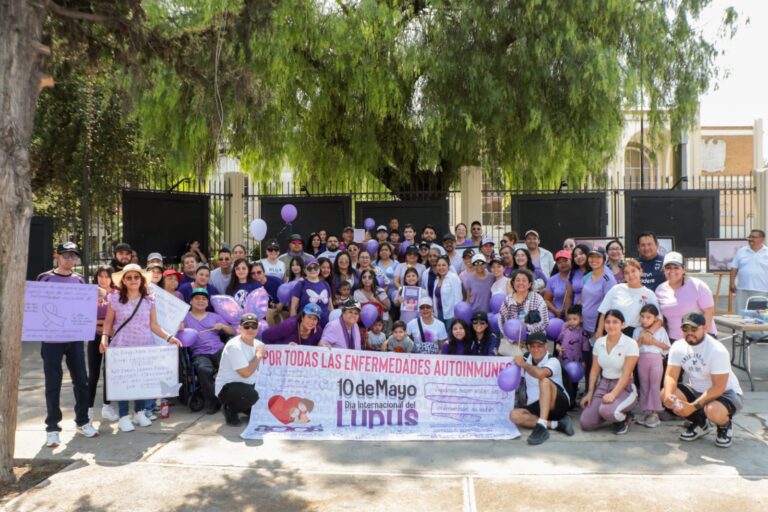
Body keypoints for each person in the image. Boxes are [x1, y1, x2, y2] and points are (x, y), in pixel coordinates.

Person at [100, 264, 182, 433]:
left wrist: (169, 337)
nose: (133, 280)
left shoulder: (149, 300)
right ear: (123, 280)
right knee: (123, 382)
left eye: (136, 277)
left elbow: (154, 325)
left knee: (140, 381)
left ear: (142, 280)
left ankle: (139, 412)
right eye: (129, 277)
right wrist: (104, 338)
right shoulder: (115, 298)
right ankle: (123, 416)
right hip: (122, 346)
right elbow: (108, 322)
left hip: (144, 345)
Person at [37, 242, 99, 447]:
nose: (70, 260)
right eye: (66, 255)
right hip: (51, 340)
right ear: (57, 256)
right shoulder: (44, 278)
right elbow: (35, 307)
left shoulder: (79, 280)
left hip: (74, 339)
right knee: (52, 384)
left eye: (74, 256)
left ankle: (82, 421)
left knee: (82, 381)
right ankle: (52, 428)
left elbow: (84, 308)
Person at [662, 312, 744, 448]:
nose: (689, 333)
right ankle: (700, 423)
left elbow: (718, 388)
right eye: (685, 329)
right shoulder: (677, 346)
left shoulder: (717, 350)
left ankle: (724, 425)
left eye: (694, 329)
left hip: (726, 393)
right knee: (667, 394)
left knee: (712, 410)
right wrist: (668, 395)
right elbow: (671, 375)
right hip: (698, 390)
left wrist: (692, 407)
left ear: (705, 328)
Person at [579, 310, 639, 435]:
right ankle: (607, 412)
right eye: (607, 322)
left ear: (622, 324)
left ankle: (625, 418)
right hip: (604, 384)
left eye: (615, 322)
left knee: (607, 411)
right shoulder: (599, 342)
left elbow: (626, 374)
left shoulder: (630, 343)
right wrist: (590, 392)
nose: (611, 325)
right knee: (586, 423)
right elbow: (595, 370)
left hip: (624, 386)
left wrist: (613, 394)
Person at [509, 332, 574, 445]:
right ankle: (556, 424)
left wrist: (524, 365)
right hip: (536, 405)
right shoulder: (525, 358)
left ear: (546, 347)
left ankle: (541, 428)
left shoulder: (553, 361)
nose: (536, 350)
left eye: (539, 346)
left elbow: (540, 374)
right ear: (528, 347)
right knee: (514, 416)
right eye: (532, 346)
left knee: (544, 380)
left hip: (557, 404)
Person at [183, 288, 236, 413]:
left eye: (204, 299)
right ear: (191, 301)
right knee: (203, 369)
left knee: (233, 365)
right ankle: (213, 401)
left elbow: (233, 332)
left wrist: (223, 326)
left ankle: (235, 399)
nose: (200, 301)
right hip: (199, 353)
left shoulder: (215, 317)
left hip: (218, 349)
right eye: (197, 298)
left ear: (207, 303)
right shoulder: (184, 318)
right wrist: (180, 329)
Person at [215, 313, 265, 427]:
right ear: (240, 328)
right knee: (252, 395)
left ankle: (245, 407)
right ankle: (229, 409)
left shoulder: (259, 344)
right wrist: (258, 355)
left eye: (254, 326)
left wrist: (292, 348)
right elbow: (245, 373)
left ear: (258, 328)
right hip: (228, 388)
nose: (250, 329)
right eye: (246, 326)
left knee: (263, 408)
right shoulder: (234, 346)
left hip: (247, 386)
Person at [655, 251, 716, 341]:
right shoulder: (659, 290)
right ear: (663, 270)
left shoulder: (698, 286)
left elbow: (709, 311)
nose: (672, 271)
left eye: (676, 268)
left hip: (699, 338)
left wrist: (702, 336)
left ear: (683, 269)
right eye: (668, 268)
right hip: (674, 339)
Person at [87, 265, 120, 423]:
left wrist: (101, 324)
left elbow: (118, 319)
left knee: (109, 372)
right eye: (100, 276)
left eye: (107, 276)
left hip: (113, 337)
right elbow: (84, 318)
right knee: (93, 374)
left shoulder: (118, 294)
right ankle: (88, 409)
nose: (103, 279)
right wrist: (101, 325)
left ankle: (107, 406)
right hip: (94, 337)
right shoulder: (89, 294)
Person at [596, 258, 657, 337]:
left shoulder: (649, 294)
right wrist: (599, 332)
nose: (630, 275)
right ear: (624, 276)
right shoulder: (616, 289)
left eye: (633, 271)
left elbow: (658, 319)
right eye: (626, 273)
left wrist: (649, 333)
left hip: (634, 335)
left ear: (641, 272)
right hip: (612, 333)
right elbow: (603, 313)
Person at [632, 304, 670, 428]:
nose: (645, 320)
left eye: (649, 317)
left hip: (656, 361)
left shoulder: (661, 330)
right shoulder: (637, 330)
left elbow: (667, 347)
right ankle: (646, 411)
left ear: (655, 318)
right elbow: (633, 348)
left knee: (654, 385)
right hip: (642, 360)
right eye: (642, 317)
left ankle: (654, 413)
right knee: (644, 386)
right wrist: (640, 340)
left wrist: (654, 342)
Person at [499, 268, 549, 337]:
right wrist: (511, 339)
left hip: (534, 340)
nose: (520, 283)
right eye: (518, 280)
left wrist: (526, 328)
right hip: (512, 339)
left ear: (529, 284)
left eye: (524, 280)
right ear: (513, 283)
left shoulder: (537, 299)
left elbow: (544, 322)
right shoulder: (508, 300)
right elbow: (501, 322)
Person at [555, 305, 591, 400]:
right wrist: (558, 348)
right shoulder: (565, 331)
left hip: (576, 363)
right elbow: (558, 342)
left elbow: (586, 349)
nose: (571, 321)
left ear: (581, 319)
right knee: (563, 380)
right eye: (569, 319)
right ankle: (563, 399)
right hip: (564, 360)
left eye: (574, 319)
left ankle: (572, 401)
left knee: (574, 382)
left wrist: (584, 362)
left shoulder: (583, 333)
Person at [579, 247, 617, 336]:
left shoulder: (608, 280)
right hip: (584, 325)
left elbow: (611, 305)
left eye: (598, 257)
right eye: (591, 256)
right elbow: (582, 299)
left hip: (599, 328)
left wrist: (601, 328)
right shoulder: (587, 276)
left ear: (604, 259)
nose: (594, 260)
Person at [729, 229, 768, 312]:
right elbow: (734, 268)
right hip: (742, 290)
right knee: (740, 315)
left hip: (761, 290)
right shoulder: (741, 251)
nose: (750, 239)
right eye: (749, 237)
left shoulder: (767, 252)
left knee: (758, 316)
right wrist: (732, 282)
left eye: (753, 237)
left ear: (762, 239)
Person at [290, 259, 333, 324]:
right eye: (309, 268)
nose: (313, 270)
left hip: (325, 324)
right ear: (304, 270)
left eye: (315, 267)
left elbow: (330, 306)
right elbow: (294, 307)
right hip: (306, 325)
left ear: (319, 268)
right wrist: (294, 324)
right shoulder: (301, 285)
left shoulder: (325, 284)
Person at [426, 255, 463, 325]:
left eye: (444, 265)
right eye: (439, 265)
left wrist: (456, 314)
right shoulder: (436, 280)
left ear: (448, 266)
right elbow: (434, 298)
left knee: (450, 334)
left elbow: (458, 297)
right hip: (439, 313)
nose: (441, 267)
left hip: (451, 314)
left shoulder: (453, 277)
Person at [543, 250, 572, 319]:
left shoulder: (577, 277)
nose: (563, 264)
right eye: (559, 262)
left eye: (565, 260)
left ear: (571, 261)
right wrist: (556, 311)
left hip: (575, 314)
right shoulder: (552, 280)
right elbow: (547, 300)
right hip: (558, 314)